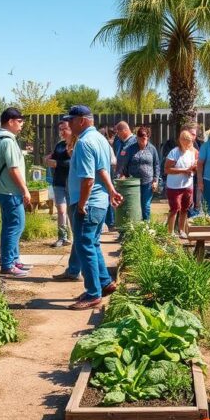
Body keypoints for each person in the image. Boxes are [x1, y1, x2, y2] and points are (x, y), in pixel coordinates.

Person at [56, 105, 124, 310]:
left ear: (82, 121)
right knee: (92, 244)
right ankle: (104, 282)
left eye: (71, 120)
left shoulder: (85, 142)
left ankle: (93, 294)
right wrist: (112, 190)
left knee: (84, 246)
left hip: (89, 203)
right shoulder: (101, 139)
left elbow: (88, 179)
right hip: (101, 202)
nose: (68, 124)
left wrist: (82, 204)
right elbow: (102, 169)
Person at [0, 108, 34, 278]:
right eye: (20, 121)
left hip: (4, 190)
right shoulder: (7, 141)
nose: (22, 125)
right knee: (16, 226)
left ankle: (13, 260)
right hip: (10, 191)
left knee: (10, 226)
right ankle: (8, 265)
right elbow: (13, 169)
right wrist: (25, 190)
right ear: (10, 121)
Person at [117, 126, 161, 221]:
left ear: (148, 137)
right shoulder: (130, 149)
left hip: (147, 182)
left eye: (144, 138)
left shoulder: (152, 149)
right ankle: (134, 224)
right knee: (133, 205)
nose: (142, 141)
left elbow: (156, 165)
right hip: (133, 183)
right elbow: (124, 164)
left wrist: (155, 180)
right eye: (139, 138)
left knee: (145, 205)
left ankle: (146, 226)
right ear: (136, 138)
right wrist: (123, 175)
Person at [44, 117, 73, 247]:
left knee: (72, 211)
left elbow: (73, 163)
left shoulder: (76, 145)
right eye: (60, 129)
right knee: (61, 210)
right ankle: (62, 237)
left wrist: (57, 163)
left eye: (64, 129)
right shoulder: (60, 145)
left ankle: (75, 236)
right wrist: (48, 160)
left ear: (71, 129)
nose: (61, 132)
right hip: (59, 182)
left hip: (72, 183)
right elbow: (53, 159)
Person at [164, 130, 198, 238]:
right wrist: (184, 171)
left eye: (190, 142)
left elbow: (192, 168)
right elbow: (167, 169)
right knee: (174, 209)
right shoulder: (174, 152)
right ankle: (170, 232)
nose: (189, 144)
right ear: (181, 141)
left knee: (185, 209)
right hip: (174, 186)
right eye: (187, 142)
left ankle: (182, 230)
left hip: (188, 185)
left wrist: (193, 169)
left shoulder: (191, 153)